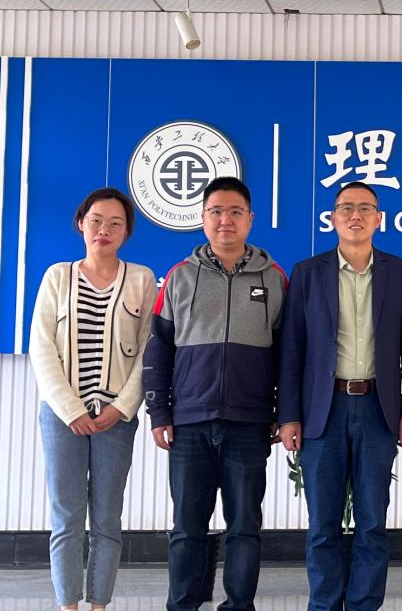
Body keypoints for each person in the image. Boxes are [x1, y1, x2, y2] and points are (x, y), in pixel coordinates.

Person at [142, 176, 288, 611]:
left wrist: (283, 411)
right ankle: (182, 605)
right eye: (216, 212)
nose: (226, 220)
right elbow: (158, 349)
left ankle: (239, 605)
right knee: (187, 528)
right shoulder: (179, 277)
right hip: (189, 422)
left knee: (244, 526)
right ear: (203, 218)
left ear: (250, 219)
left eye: (235, 212)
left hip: (249, 422)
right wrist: (159, 413)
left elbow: (288, 354)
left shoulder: (274, 278)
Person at [278, 181, 402, 611]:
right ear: (332, 218)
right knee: (322, 524)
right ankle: (324, 604)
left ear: (379, 218)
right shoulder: (308, 272)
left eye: (365, 208)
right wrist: (289, 415)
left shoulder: (400, 272)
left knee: (373, 521)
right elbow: (292, 349)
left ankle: (364, 604)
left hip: (379, 409)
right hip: (323, 410)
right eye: (346, 208)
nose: (355, 215)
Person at [29, 187, 156, 611]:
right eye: (97, 220)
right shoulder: (57, 276)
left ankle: (99, 605)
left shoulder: (141, 279)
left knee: (106, 518)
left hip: (115, 418)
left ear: (126, 232)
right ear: (81, 223)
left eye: (115, 223)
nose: (105, 229)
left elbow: (148, 350)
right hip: (62, 416)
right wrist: (70, 409)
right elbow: (41, 346)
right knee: (66, 516)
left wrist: (122, 407)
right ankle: (67, 605)